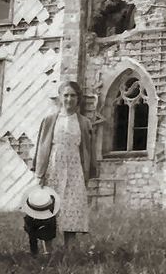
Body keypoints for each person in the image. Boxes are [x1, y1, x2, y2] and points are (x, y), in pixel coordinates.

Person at [32, 81, 97, 247]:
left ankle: (70, 252)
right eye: (66, 95)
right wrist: (40, 173)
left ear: (78, 99)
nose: (69, 99)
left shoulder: (84, 122)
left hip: (75, 168)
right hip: (53, 166)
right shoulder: (49, 120)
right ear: (60, 98)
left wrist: (88, 172)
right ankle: (48, 251)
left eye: (73, 95)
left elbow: (89, 149)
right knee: (48, 208)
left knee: (71, 207)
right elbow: (42, 146)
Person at [22, 185, 60, 256]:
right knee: (32, 234)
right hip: (35, 215)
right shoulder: (30, 218)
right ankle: (35, 252)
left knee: (48, 233)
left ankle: (47, 252)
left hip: (45, 214)